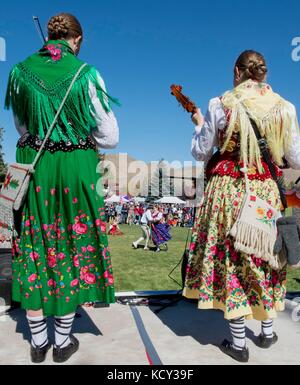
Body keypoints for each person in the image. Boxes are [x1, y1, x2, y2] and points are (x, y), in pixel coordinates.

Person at [5, 13, 119, 363]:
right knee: (72, 243)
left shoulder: (20, 72)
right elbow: (110, 137)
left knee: (36, 245)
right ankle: (62, 341)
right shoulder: (86, 74)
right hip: (74, 169)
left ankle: (37, 342)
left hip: (35, 167)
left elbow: (22, 126)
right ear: (78, 39)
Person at [183, 50, 300, 363]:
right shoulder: (285, 108)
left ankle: (238, 343)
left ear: (237, 71)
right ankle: (266, 331)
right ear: (263, 73)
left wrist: (198, 126)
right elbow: (297, 158)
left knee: (232, 260)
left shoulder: (220, 104)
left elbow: (200, 152)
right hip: (266, 192)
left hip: (231, 189)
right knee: (267, 257)